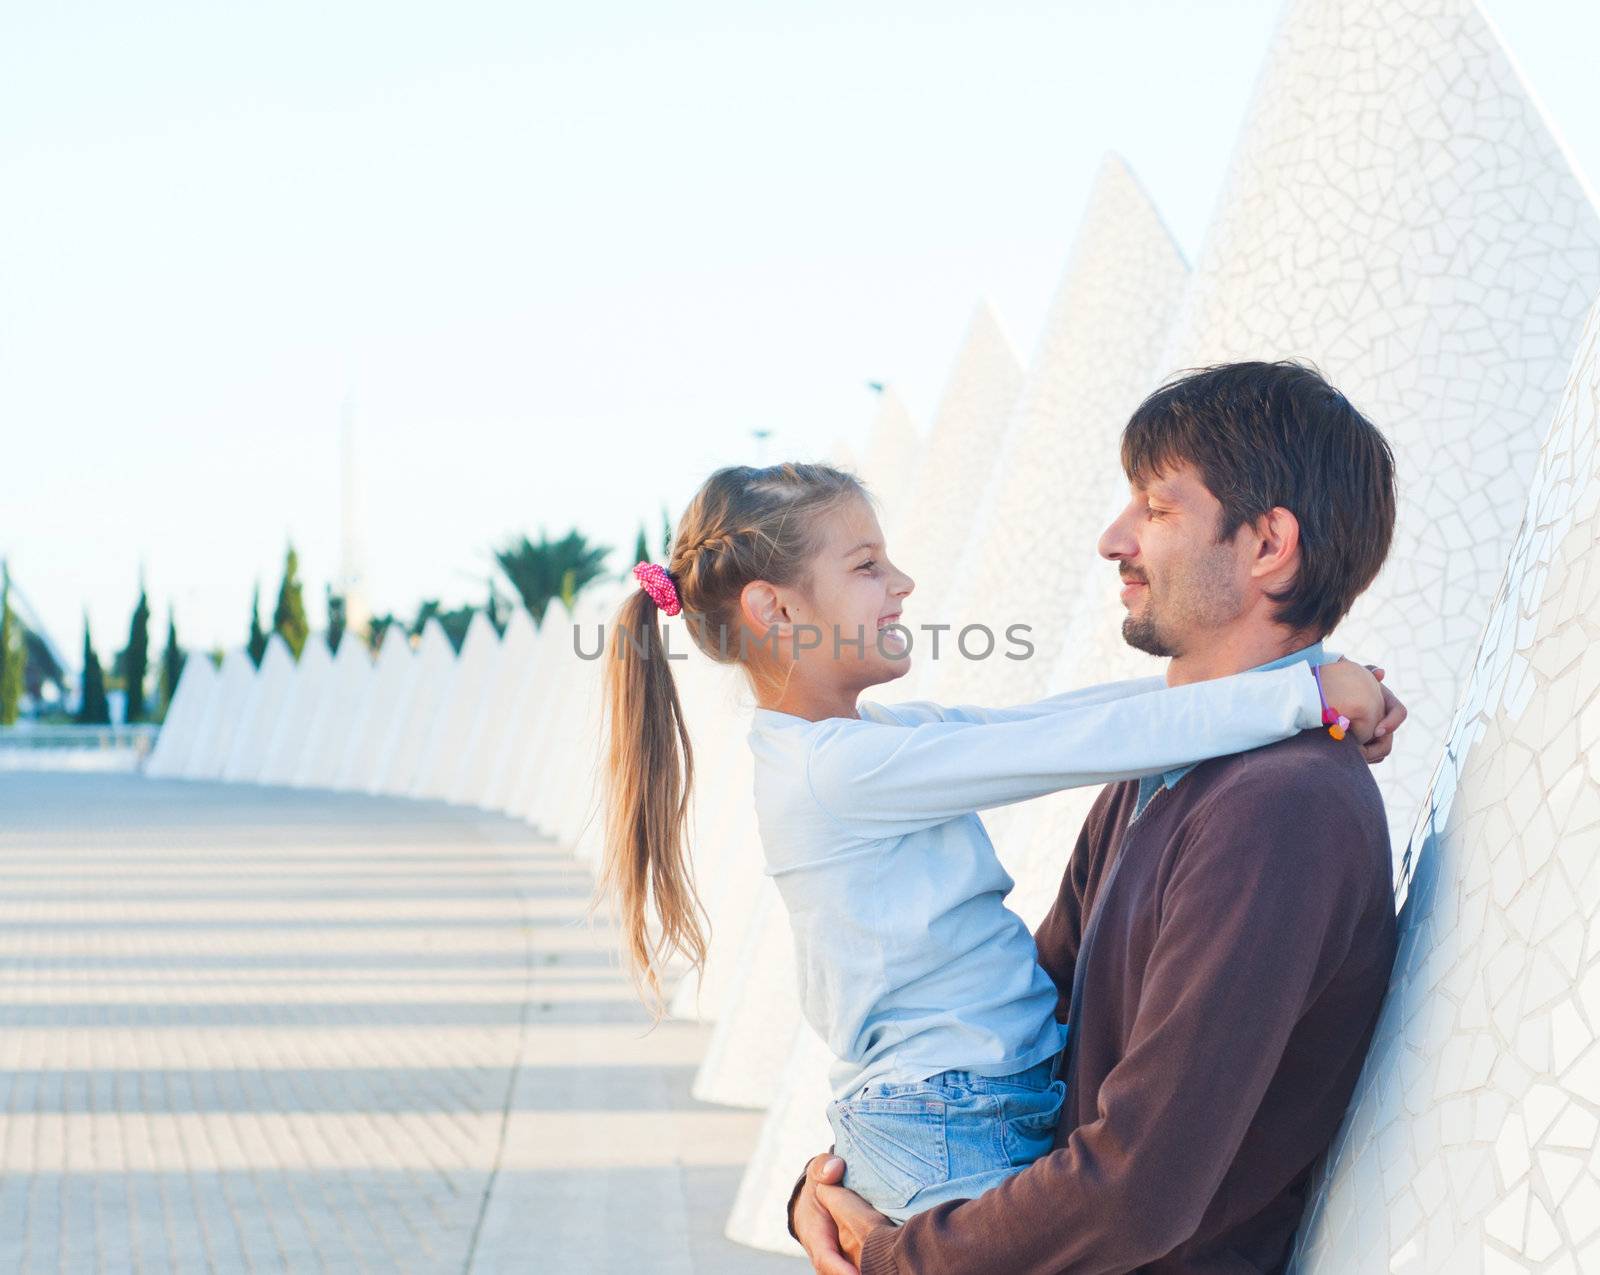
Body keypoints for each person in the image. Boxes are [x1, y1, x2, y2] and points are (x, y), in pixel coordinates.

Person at [595, 435, 1400, 1226]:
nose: (902, 582)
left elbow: (1058, 718)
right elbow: (1061, 743)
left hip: (959, 1112)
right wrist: (1302, 697)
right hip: (949, 1122)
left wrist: (1307, 685)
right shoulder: (838, 771)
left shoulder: (864, 746)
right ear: (775, 609)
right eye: (867, 566)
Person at [789, 360, 1403, 1274]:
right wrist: (832, 1188)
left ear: (1269, 543)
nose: (1116, 539)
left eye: (1157, 508)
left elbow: (1137, 1186)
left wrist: (898, 1257)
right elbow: (1010, 1026)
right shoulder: (1166, 767)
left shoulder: (1281, 809)